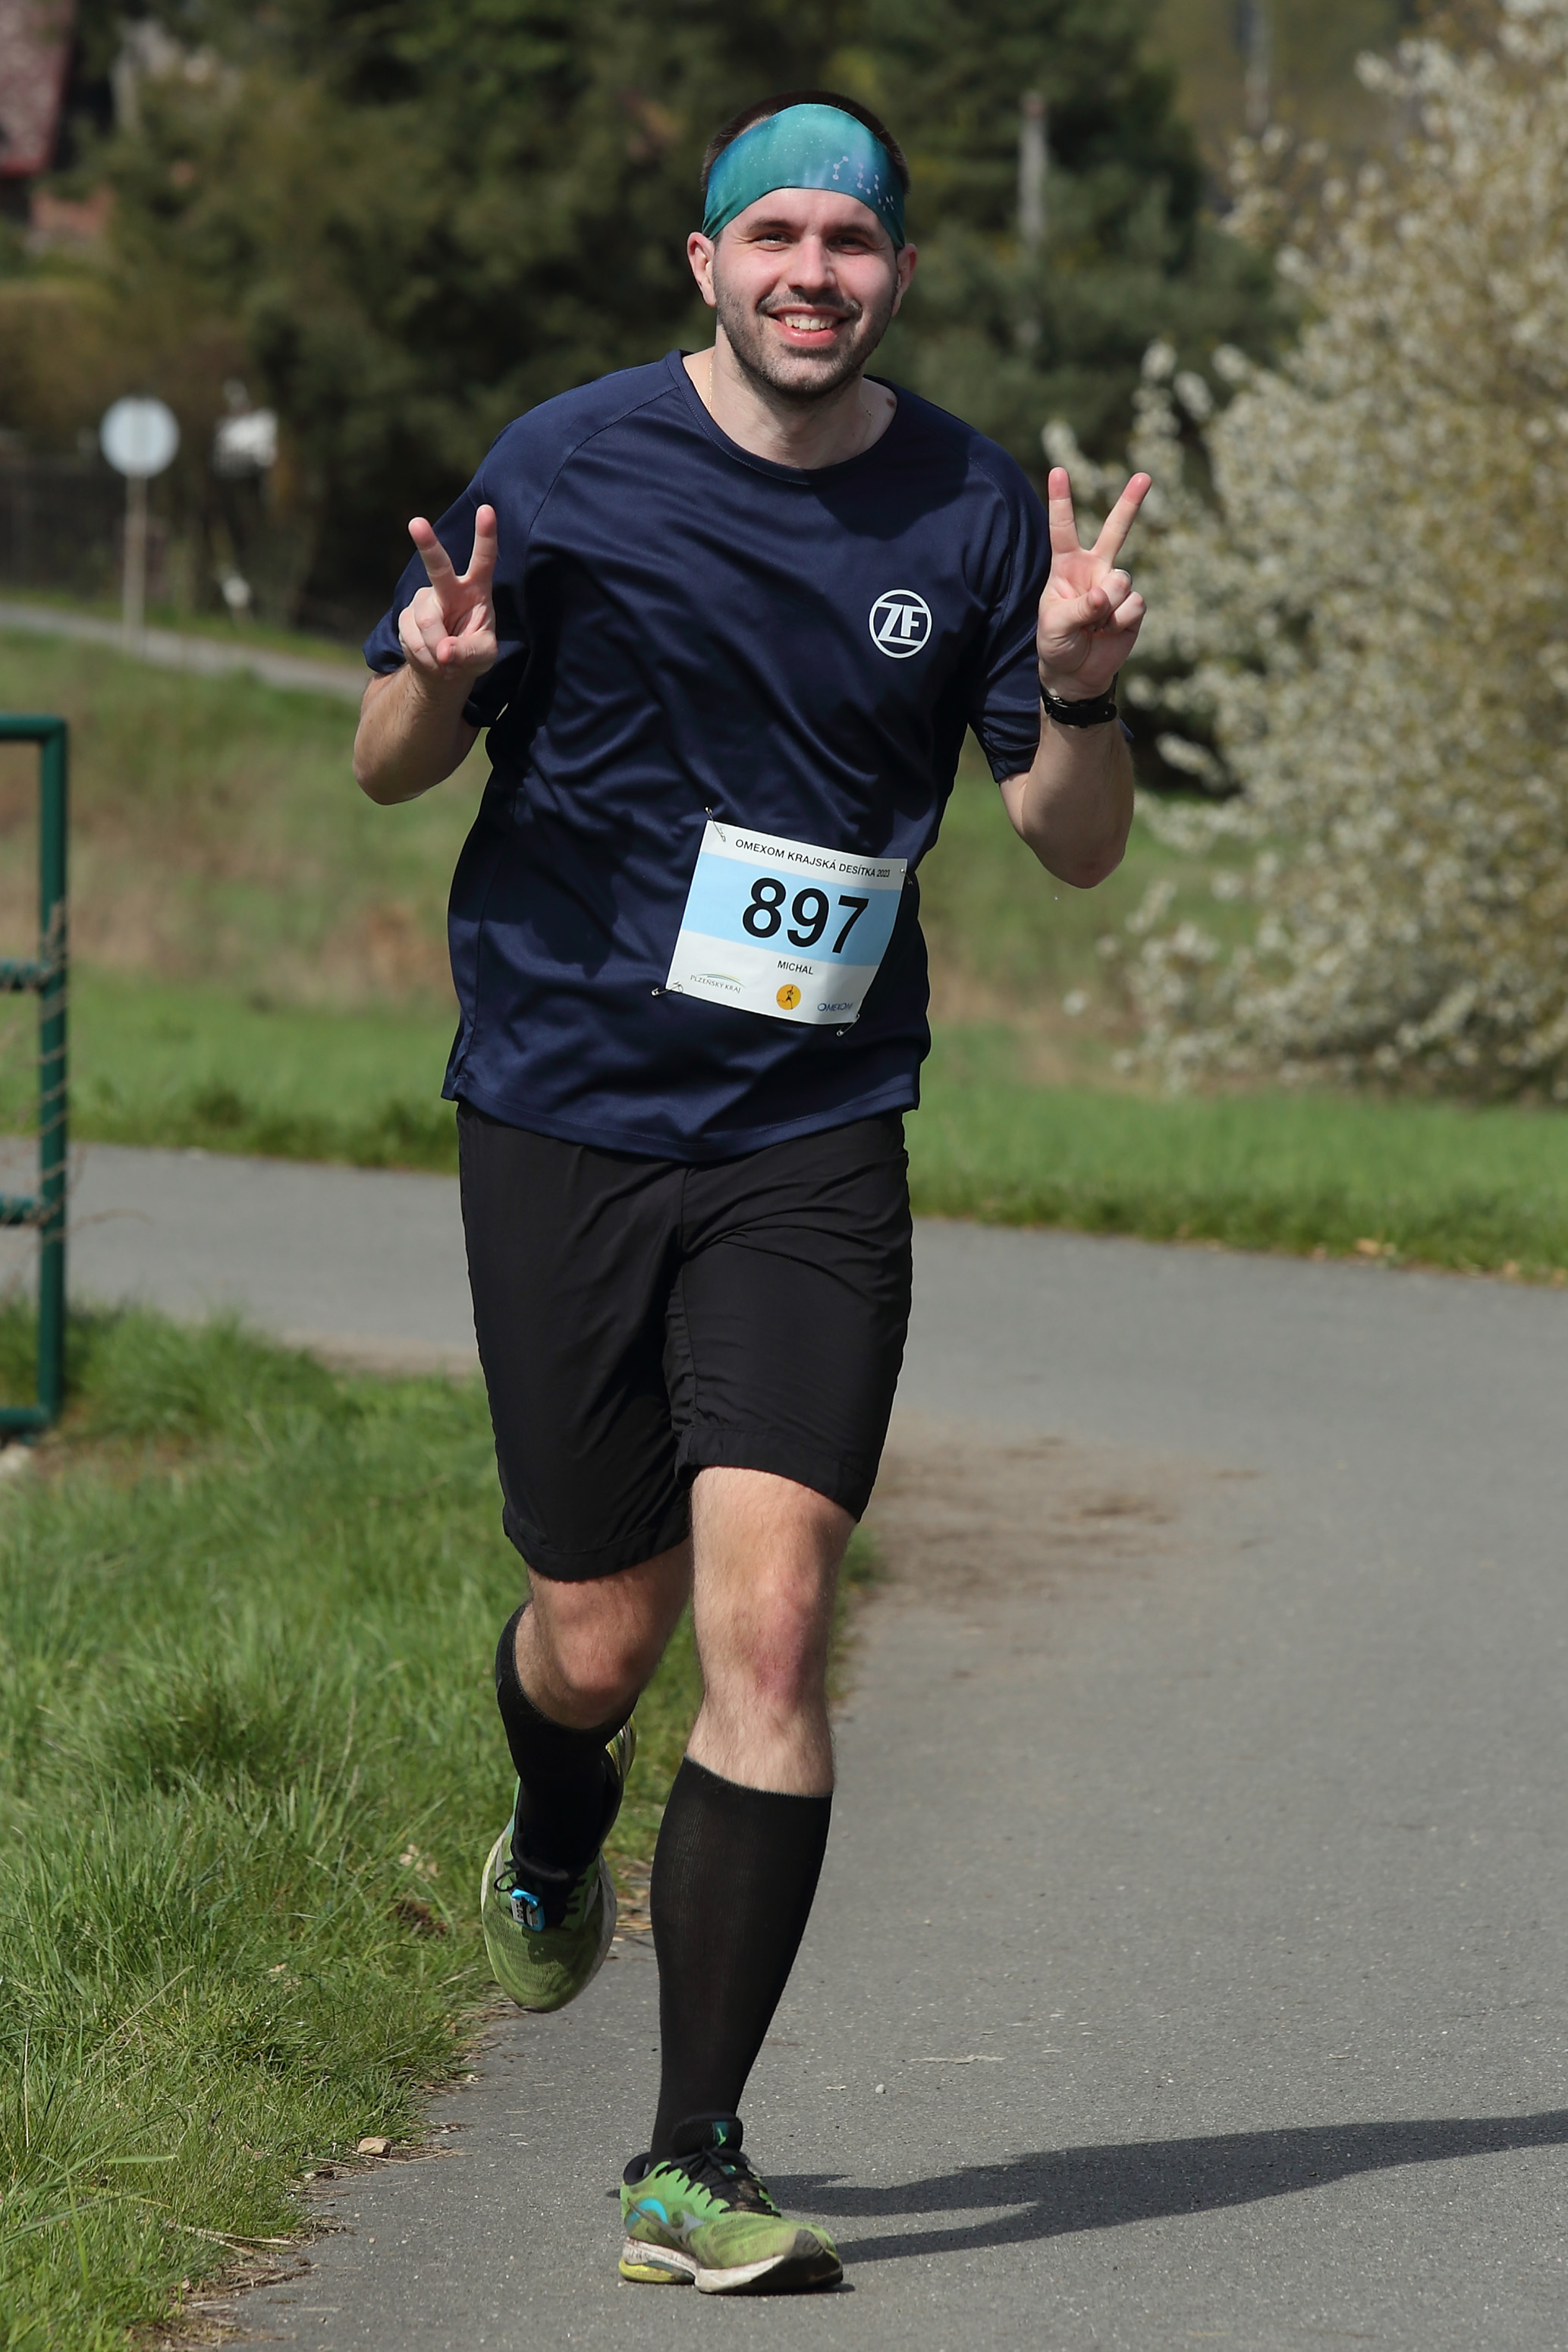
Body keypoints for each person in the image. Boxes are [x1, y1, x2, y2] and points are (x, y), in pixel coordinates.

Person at [354, 88, 1149, 2297]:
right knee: (597, 1638)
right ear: (704, 263)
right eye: (774, 234)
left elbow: (1072, 846)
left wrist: (1083, 697)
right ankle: (554, 1805)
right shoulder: (568, 463)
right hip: (563, 1108)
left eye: (852, 239)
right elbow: (385, 762)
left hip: (812, 1130)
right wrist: (439, 689)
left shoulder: (971, 507)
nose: (815, 271)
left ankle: (686, 2156)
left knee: (773, 1627)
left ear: (898, 272)